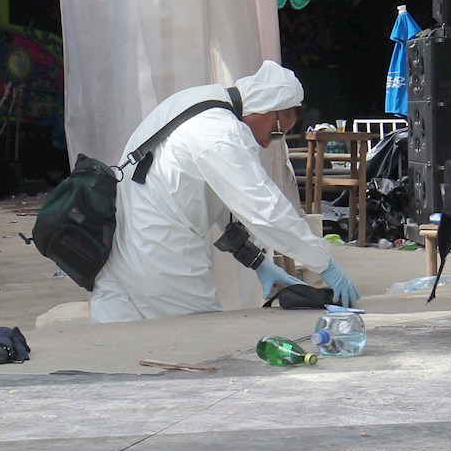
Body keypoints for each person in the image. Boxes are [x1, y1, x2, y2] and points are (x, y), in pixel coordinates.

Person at [90, 60, 361, 323]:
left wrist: (258, 262)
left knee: (118, 343)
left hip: (118, 249)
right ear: (269, 110)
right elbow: (265, 209)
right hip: (160, 252)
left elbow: (220, 200)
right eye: (276, 133)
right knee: (200, 339)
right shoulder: (222, 133)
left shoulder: (199, 103)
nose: (268, 144)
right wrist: (324, 263)